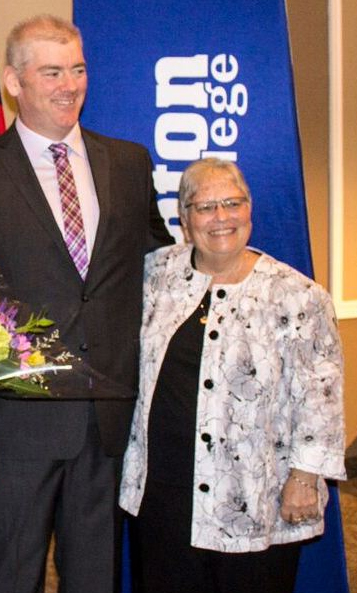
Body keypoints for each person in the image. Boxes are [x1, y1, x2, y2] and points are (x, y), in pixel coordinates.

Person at [0, 14, 173, 593]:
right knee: (11, 576)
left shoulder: (129, 162)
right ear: (14, 82)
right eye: (51, 72)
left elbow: (161, 264)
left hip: (107, 414)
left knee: (94, 577)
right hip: (17, 421)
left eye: (78, 69)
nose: (70, 84)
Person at [119, 158, 346, 593]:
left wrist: (304, 477)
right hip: (164, 493)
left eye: (232, 203)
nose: (221, 217)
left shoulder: (297, 295)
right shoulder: (156, 275)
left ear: (250, 208)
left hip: (255, 494)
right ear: (184, 219)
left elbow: (322, 394)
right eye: (205, 207)